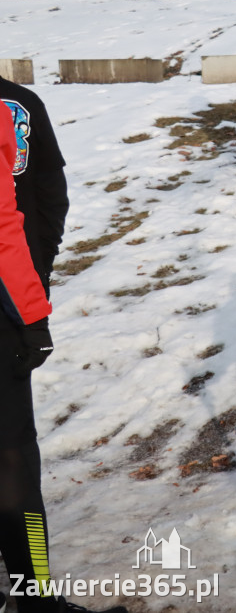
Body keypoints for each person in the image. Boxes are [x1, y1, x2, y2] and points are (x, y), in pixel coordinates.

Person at [1, 80, 126, 613]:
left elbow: (47, 193)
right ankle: (34, 596)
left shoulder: (20, 103)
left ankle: (34, 593)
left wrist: (37, 274)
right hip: (6, 309)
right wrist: (31, 310)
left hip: (11, 297)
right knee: (14, 465)